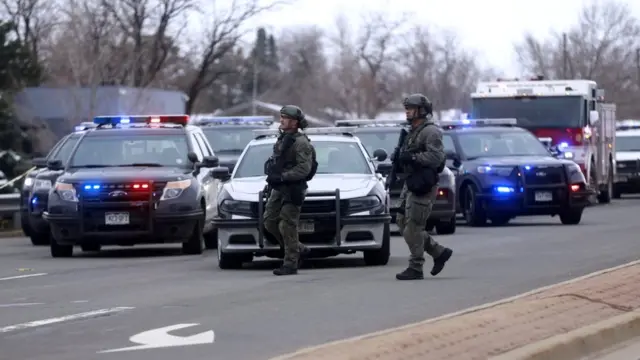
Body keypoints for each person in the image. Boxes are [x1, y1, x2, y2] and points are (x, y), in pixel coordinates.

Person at [394, 93, 453, 280]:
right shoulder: (412, 131)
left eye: (410, 109)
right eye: (406, 109)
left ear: (421, 110)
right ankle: (438, 252)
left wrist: (413, 158)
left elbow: (437, 158)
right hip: (411, 182)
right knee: (402, 222)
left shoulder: (431, 132)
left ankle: (416, 267)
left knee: (414, 225)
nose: (407, 112)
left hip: (423, 184)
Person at [263, 105, 316, 276]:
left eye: (285, 118)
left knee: (287, 224)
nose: (281, 120)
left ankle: (290, 262)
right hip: (279, 188)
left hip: (293, 188)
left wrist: (284, 176)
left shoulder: (301, 142)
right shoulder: (283, 138)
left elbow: (304, 168)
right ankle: (298, 248)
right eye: (281, 117)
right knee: (269, 221)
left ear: (294, 122)